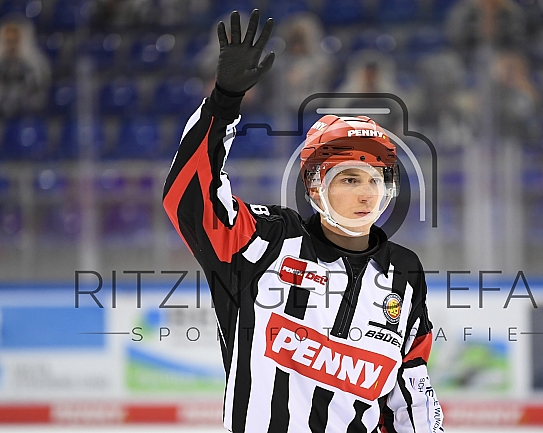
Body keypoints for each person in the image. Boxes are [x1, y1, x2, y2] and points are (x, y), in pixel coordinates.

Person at [162, 9, 444, 433]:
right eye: (349, 178)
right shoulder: (265, 242)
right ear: (314, 188)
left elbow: (411, 392)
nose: (366, 193)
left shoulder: (404, 271)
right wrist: (223, 102)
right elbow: (188, 198)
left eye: (376, 179)